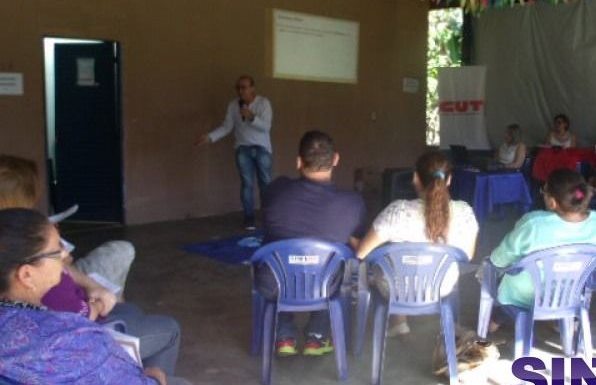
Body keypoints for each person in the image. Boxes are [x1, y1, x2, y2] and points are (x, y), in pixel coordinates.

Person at [0, 155, 182, 376]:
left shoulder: (18, 255)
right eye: (56, 251)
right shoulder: (75, 338)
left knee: (130, 309)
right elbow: (79, 318)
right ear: (27, 275)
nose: (65, 253)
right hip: (85, 323)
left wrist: (87, 284)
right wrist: (155, 378)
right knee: (168, 328)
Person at [255, 130, 368, 357]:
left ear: (298, 162)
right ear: (336, 159)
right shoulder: (353, 203)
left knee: (284, 263)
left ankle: (284, 336)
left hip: (274, 283)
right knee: (334, 270)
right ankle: (317, 337)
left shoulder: (274, 191)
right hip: (323, 285)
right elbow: (359, 251)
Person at [357, 151, 479, 336]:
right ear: (449, 180)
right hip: (441, 286)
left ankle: (398, 320)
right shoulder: (464, 212)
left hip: (396, 290)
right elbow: (467, 256)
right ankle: (405, 323)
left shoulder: (397, 211)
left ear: (415, 178)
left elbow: (362, 253)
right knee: (403, 263)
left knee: (386, 265)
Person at [0, 154, 134, 295]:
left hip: (49, 286)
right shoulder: (20, 231)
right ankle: (114, 309)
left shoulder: (15, 228)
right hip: (54, 295)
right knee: (122, 250)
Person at [489, 169, 596, 310]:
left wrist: (490, 264)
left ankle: (499, 318)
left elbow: (499, 259)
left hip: (527, 295)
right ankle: (564, 322)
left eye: (543, 191)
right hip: (571, 294)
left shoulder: (534, 223)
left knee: (492, 271)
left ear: (552, 202)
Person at [195, 75, 273, 230]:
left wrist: (251, 117)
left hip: (261, 149)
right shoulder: (233, 105)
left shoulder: (264, 103)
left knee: (266, 184)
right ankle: (249, 218)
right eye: (238, 88)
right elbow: (227, 127)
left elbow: (266, 127)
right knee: (247, 184)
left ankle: (269, 218)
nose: (240, 91)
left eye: (243, 87)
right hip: (243, 149)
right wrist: (210, 137)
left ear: (252, 88)